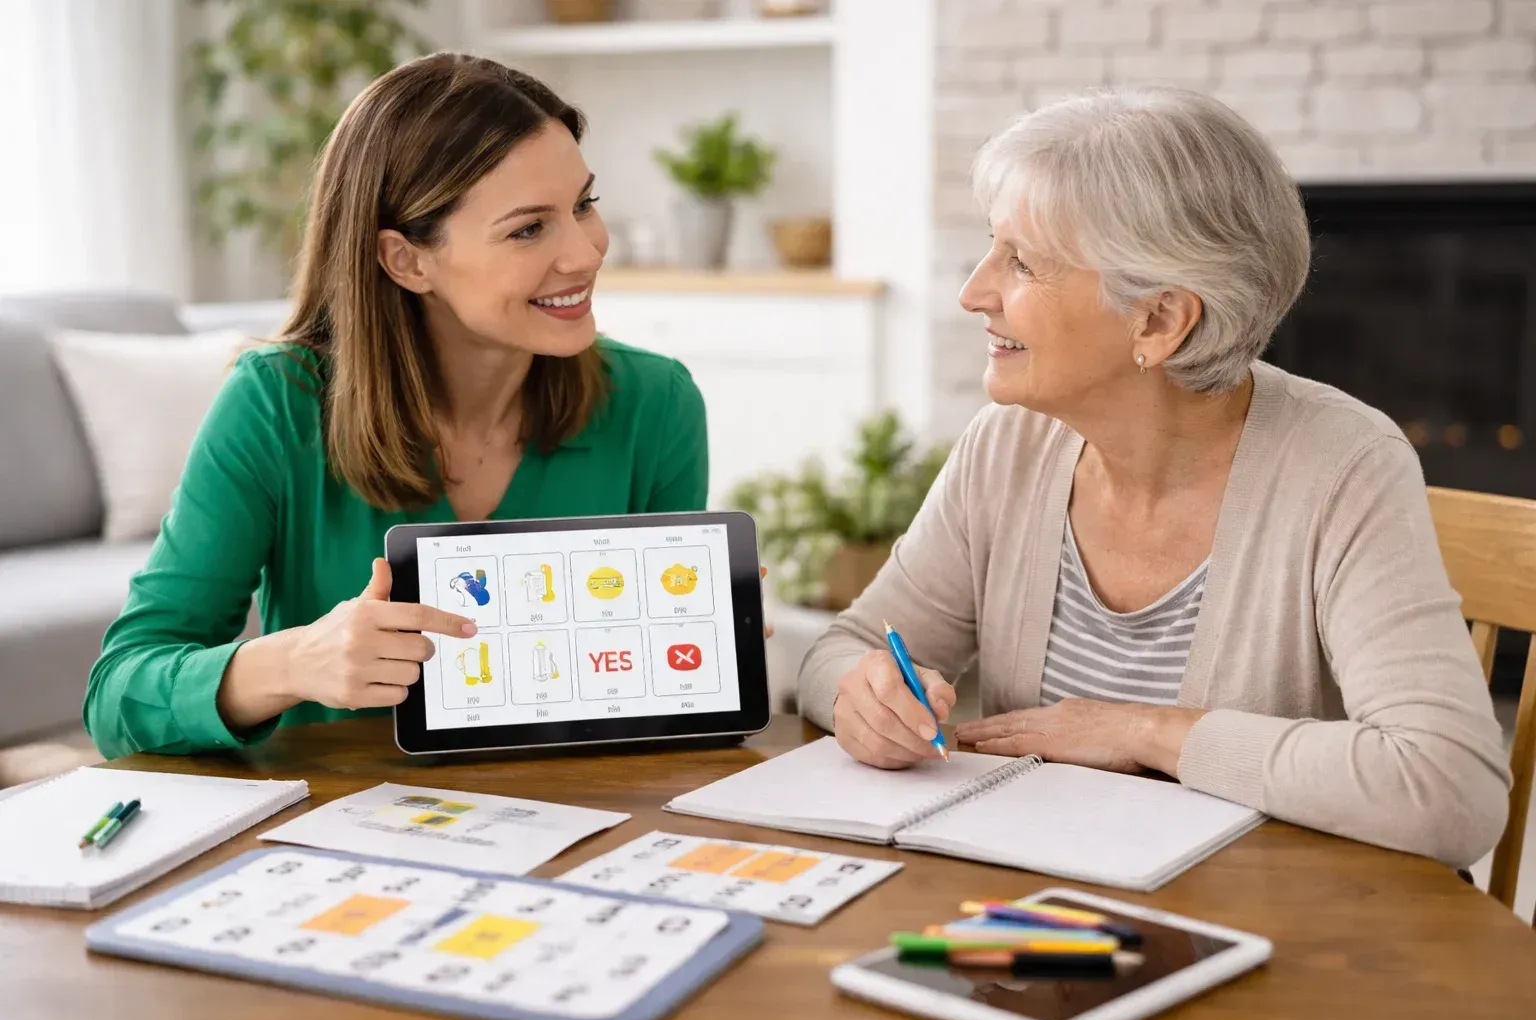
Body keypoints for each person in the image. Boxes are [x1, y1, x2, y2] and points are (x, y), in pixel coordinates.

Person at [798, 87, 1511, 868]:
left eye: (1023, 262)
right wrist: (862, 697)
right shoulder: (1009, 445)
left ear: (1161, 320)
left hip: (1271, 937)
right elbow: (852, 647)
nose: (975, 292)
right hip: (1028, 914)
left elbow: (1451, 791)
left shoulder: (1342, 465)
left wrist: (1143, 731)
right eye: (991, 248)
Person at [85, 54, 707, 758]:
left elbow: (653, 705)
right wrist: (292, 664)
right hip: (339, 827)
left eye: (584, 205)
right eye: (529, 229)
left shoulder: (655, 403)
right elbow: (116, 697)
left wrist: (700, 644)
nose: (587, 251)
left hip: (581, 812)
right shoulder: (277, 403)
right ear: (406, 260)